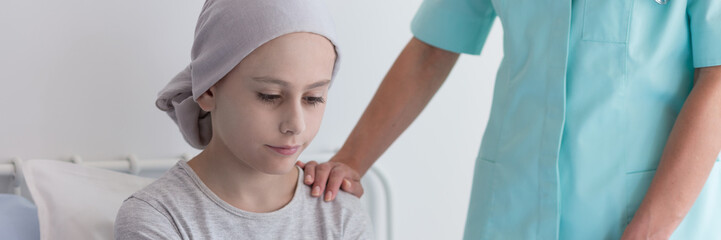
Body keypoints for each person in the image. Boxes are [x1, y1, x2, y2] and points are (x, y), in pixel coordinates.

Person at [300, 0, 721, 239]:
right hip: (512, 213)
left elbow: (717, 80)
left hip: (649, 216)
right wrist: (351, 161)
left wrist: (648, 232)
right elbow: (433, 47)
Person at [114, 0, 372, 239]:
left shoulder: (339, 212)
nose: (296, 124)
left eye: (313, 98)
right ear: (208, 90)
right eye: (270, 96)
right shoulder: (158, 217)